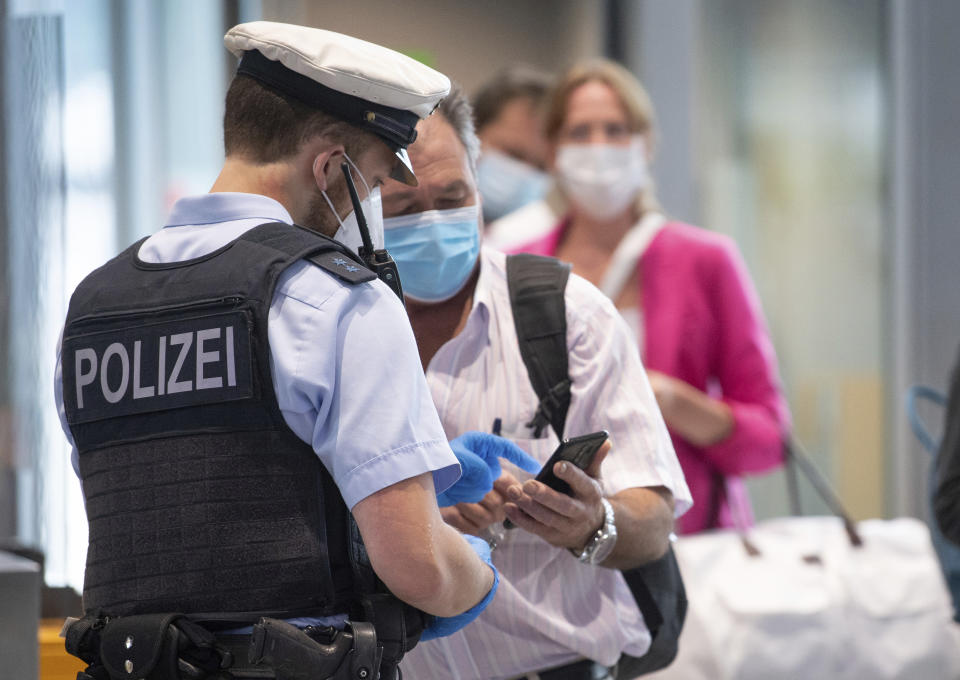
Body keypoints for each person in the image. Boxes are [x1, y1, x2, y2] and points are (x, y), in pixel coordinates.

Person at [53, 22, 535, 680]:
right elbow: (418, 565)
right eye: (371, 184)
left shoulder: (95, 306)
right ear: (330, 166)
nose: (368, 207)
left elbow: (162, 508)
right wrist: (475, 575)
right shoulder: (339, 300)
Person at [379, 83, 691, 680]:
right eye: (403, 209)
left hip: (559, 665)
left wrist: (593, 524)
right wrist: (416, 519)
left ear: (477, 182)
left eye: (453, 197)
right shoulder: (334, 331)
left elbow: (653, 521)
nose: (436, 224)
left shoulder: (567, 314)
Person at [514, 59, 790, 534]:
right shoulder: (517, 269)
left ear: (645, 146)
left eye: (615, 129)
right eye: (580, 132)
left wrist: (675, 402)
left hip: (683, 542)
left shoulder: (706, 260)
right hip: (550, 540)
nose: (599, 148)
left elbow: (768, 438)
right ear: (553, 151)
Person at [472, 65, 564, 250]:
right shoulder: (415, 216)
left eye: (541, 167)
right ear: (470, 135)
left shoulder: (550, 248)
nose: (524, 173)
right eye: (513, 154)